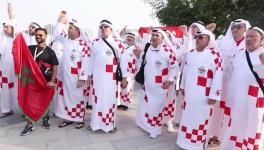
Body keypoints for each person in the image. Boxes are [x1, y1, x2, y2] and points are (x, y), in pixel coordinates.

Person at [176, 30, 223, 149]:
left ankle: (197, 145)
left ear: (209, 40)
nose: (197, 39)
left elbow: (219, 75)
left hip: (204, 96)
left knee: (200, 119)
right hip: (189, 94)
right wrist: (182, 86)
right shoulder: (190, 53)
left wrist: (214, 95)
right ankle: (184, 142)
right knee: (187, 118)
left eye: (201, 37)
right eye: (196, 37)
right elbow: (185, 71)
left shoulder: (214, 54)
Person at [220, 27, 264, 150]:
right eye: (247, 36)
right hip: (237, 101)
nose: (249, 39)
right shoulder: (241, 53)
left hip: (254, 103)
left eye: (253, 36)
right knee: (235, 129)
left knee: (251, 130)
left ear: (262, 39)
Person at [208, 19, 251, 144]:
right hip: (222, 84)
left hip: (240, 86)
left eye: (239, 27)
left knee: (232, 112)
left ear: (246, 29)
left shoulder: (250, 44)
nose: (235, 29)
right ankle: (215, 135)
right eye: (233, 27)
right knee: (218, 111)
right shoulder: (222, 41)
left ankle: (228, 138)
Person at [134, 29, 179, 138]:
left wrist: (170, 80)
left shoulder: (168, 51)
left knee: (157, 108)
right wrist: (138, 56)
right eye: (153, 35)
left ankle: (155, 129)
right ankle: (143, 124)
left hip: (160, 85)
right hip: (147, 83)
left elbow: (174, 67)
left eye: (156, 35)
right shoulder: (148, 49)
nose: (153, 37)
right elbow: (143, 63)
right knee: (145, 105)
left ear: (162, 38)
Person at [87, 20, 124, 133]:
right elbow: (90, 61)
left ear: (111, 29)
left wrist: (125, 77)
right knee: (97, 101)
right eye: (101, 27)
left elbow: (123, 61)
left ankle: (110, 125)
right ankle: (95, 124)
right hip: (98, 78)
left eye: (106, 27)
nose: (103, 29)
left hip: (111, 79)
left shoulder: (118, 43)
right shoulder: (94, 43)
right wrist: (88, 75)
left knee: (109, 101)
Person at [53, 16, 91, 129]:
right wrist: (60, 19)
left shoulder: (83, 44)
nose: (68, 29)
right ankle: (67, 119)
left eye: (71, 28)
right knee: (64, 98)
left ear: (77, 30)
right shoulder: (66, 39)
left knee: (77, 98)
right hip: (64, 77)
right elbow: (57, 32)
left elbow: (86, 61)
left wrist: (82, 78)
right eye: (69, 27)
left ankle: (79, 119)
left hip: (76, 77)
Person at [20, 28, 59, 136]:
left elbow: (55, 67)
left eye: (40, 35)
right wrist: (19, 35)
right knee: (30, 103)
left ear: (46, 36)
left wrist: (52, 80)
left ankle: (45, 119)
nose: (38, 37)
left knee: (45, 101)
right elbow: (19, 50)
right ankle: (29, 124)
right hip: (31, 82)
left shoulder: (50, 52)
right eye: (36, 35)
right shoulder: (30, 48)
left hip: (45, 82)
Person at [0, 3, 19, 118]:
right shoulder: (3, 37)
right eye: (4, 27)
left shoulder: (17, 37)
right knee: (5, 88)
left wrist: (10, 10)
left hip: (16, 68)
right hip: (5, 69)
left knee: (17, 88)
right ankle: (6, 109)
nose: (5, 29)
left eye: (7, 27)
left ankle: (19, 108)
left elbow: (13, 19)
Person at [118, 31, 138, 110]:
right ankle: (119, 102)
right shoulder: (122, 46)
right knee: (119, 87)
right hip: (120, 69)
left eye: (131, 37)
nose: (129, 39)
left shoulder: (135, 48)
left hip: (130, 71)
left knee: (127, 88)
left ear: (134, 39)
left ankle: (125, 104)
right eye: (128, 37)